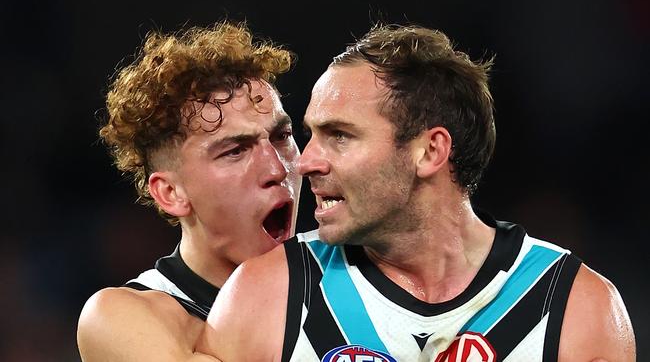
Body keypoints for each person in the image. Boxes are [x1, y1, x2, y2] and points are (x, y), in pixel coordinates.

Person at [198, 24, 636, 361]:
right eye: (310, 134)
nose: (305, 161)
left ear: (430, 151)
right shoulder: (266, 297)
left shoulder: (573, 306)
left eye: (340, 136)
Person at [77, 21, 302, 361]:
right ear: (170, 193)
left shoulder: (357, 275)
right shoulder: (122, 317)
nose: (276, 169)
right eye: (235, 151)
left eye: (281, 137)